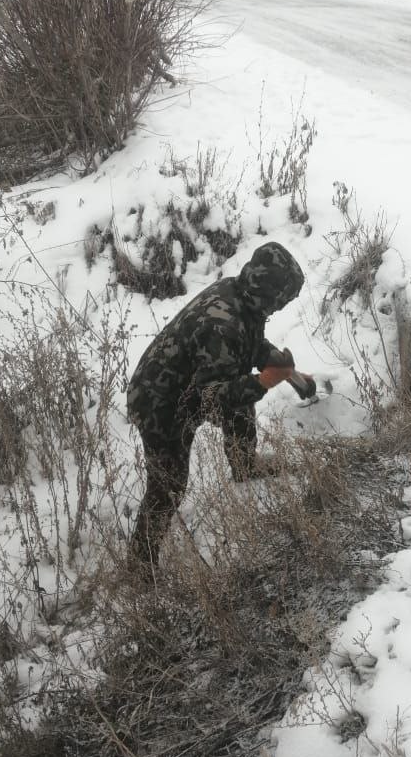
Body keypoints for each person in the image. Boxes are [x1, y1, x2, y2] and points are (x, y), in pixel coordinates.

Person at [126, 241, 311, 571]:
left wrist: (281, 367)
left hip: (192, 383)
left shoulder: (240, 294)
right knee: (168, 484)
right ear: (267, 292)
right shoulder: (222, 324)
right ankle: (140, 565)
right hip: (159, 401)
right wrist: (263, 381)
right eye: (280, 300)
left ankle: (244, 465)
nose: (281, 308)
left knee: (241, 402)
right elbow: (212, 397)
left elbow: (246, 343)